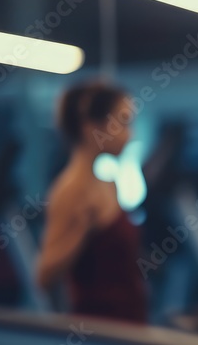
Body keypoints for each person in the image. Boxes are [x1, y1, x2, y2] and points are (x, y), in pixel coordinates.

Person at [36, 81, 148, 324]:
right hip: (97, 332)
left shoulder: (109, 184)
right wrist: (80, 231)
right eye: (124, 122)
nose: (131, 134)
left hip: (130, 321)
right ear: (91, 128)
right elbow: (44, 276)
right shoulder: (70, 191)